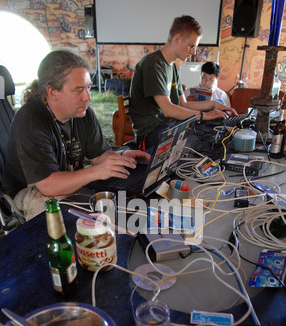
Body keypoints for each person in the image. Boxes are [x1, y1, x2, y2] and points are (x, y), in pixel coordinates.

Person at [3, 49, 150, 221]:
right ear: (52, 92)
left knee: (117, 199)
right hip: (31, 190)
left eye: (88, 87)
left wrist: (122, 156)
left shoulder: (83, 113)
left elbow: (98, 156)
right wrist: (96, 172)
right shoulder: (30, 120)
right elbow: (48, 186)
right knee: (83, 217)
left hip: (64, 180)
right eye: (79, 89)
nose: (87, 97)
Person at [129, 15, 237, 150]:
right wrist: (204, 115)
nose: (193, 52)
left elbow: (183, 104)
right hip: (151, 133)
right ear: (178, 39)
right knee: (201, 144)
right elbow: (168, 110)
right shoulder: (153, 65)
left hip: (169, 126)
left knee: (212, 133)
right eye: (191, 46)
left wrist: (214, 104)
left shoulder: (172, 66)